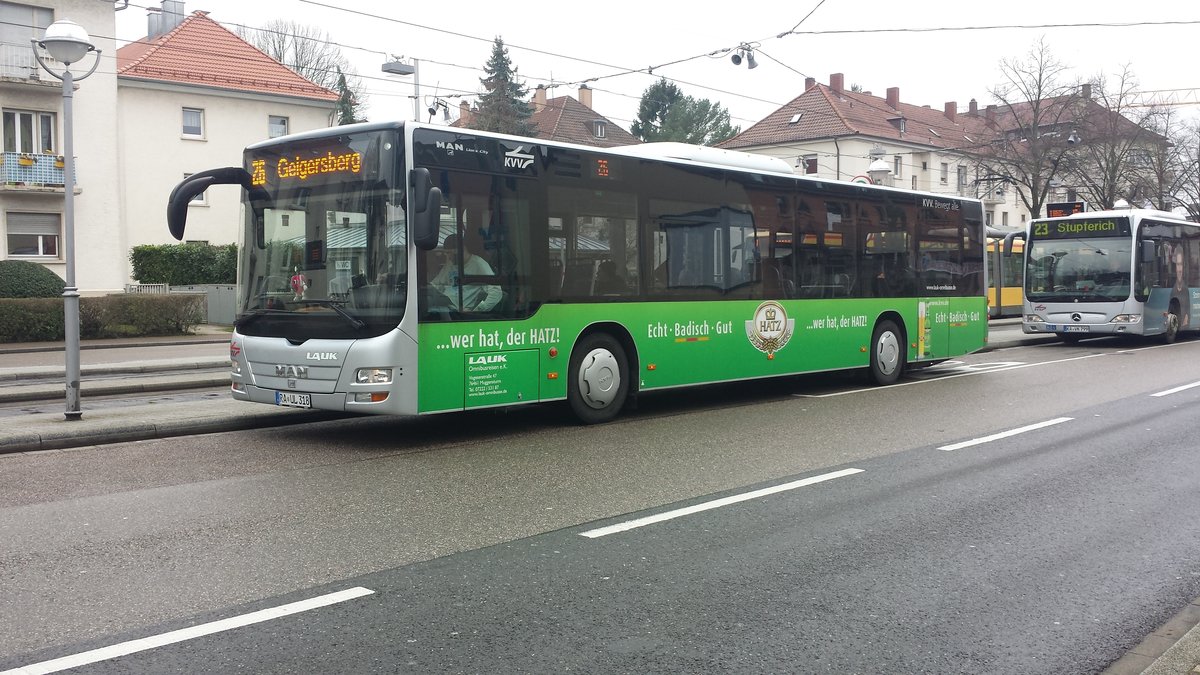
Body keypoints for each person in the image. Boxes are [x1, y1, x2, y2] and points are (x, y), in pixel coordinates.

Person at [430, 233, 502, 312]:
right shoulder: (451, 263)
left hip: (457, 312)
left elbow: (496, 292)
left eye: (449, 253)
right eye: (446, 253)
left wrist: (477, 311)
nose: (448, 257)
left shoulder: (478, 264)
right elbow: (436, 285)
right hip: (444, 305)